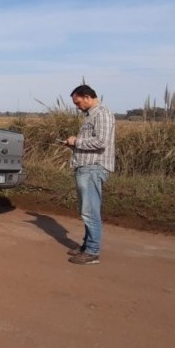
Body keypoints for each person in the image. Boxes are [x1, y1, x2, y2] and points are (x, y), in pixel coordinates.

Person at [63, 84, 116, 265]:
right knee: (86, 209)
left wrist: (76, 141)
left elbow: (101, 141)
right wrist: (75, 144)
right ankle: (87, 245)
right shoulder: (92, 115)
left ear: (87, 97)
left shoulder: (102, 114)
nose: (77, 106)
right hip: (86, 167)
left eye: (78, 102)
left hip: (93, 167)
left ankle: (92, 251)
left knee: (90, 210)